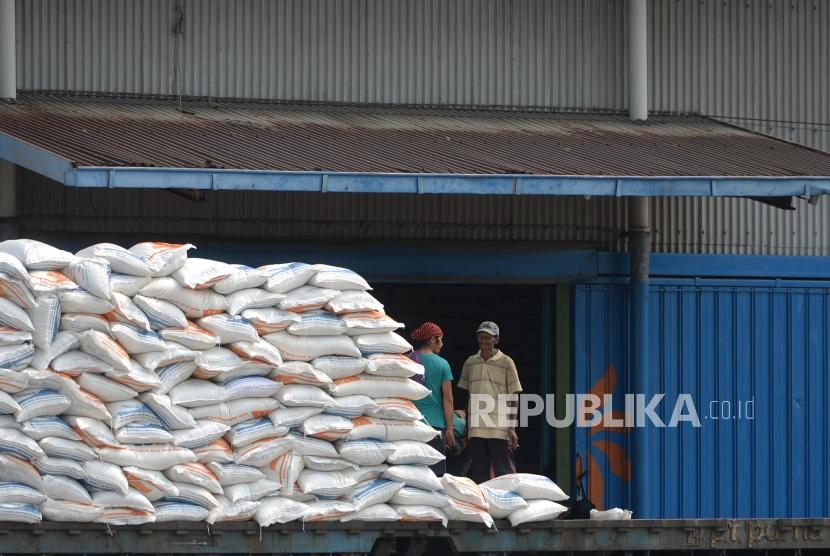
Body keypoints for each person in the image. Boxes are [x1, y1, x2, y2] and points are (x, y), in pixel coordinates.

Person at [458, 321, 522, 484]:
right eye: (480, 338)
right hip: (477, 428)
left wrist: (512, 427)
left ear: (496, 339)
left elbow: (514, 395)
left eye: (487, 338)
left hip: (499, 427)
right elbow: (467, 396)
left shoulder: (507, 363)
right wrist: (467, 428)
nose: (483, 341)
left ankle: (506, 505)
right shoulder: (471, 362)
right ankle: (484, 507)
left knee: (503, 471)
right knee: (479, 473)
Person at [408, 321, 455, 476]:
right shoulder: (442, 364)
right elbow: (448, 399)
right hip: (435, 424)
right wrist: (449, 429)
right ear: (432, 340)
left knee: (414, 471)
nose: (442, 344)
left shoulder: (408, 360)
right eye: (440, 339)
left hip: (411, 422)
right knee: (434, 474)